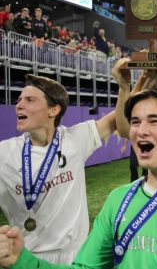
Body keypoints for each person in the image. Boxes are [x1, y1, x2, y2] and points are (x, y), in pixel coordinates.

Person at [0, 86, 157, 268]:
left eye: (154, 121)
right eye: (136, 122)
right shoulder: (118, 199)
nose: (141, 130)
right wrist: (22, 260)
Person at [0, 74, 116, 264]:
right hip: (29, 258)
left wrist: (131, 82)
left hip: (77, 254)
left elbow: (118, 117)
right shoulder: (4, 154)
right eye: (19, 99)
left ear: (53, 110)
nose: (19, 105)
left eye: (30, 100)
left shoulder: (74, 139)